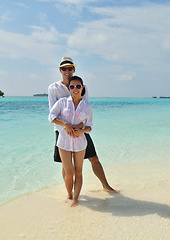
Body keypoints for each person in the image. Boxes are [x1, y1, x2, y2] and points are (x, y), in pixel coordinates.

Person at [48, 57, 118, 193]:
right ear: (60, 70)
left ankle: (106, 186)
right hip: (61, 131)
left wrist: (79, 127)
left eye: (70, 68)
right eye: (64, 68)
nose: (67, 71)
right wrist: (66, 126)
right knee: (66, 166)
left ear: (74, 69)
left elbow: (85, 109)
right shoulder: (53, 88)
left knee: (94, 158)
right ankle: (69, 194)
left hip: (80, 130)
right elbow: (52, 112)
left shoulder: (82, 86)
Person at [49, 76, 92, 207]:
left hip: (80, 142)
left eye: (78, 86)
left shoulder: (86, 106)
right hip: (63, 142)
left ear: (82, 88)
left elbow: (89, 126)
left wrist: (81, 130)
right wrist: (65, 124)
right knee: (69, 172)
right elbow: (51, 116)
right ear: (69, 88)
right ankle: (69, 195)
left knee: (78, 172)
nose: (75, 89)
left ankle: (76, 199)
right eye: (72, 86)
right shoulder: (62, 102)